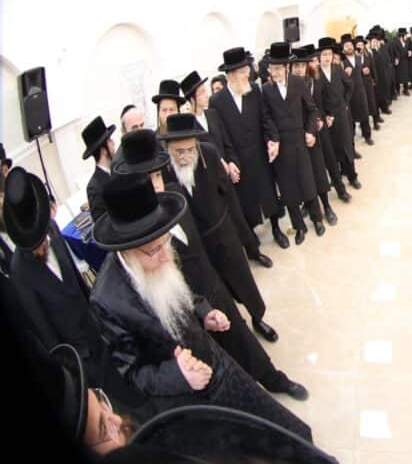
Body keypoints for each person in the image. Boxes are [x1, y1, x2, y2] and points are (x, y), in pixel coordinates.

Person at [90, 173, 312, 440]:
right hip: (187, 398)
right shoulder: (106, 300)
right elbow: (132, 373)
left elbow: (183, 295)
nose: (166, 256)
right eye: (154, 250)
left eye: (166, 241)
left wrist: (205, 313)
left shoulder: (158, 252)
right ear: (127, 251)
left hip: (218, 363)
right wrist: (178, 375)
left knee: (280, 428)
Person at [113, 129, 307, 400]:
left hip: (211, 288)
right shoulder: (133, 237)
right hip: (182, 319)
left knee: (242, 339)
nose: (156, 185)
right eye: (147, 179)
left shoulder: (174, 197)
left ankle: (273, 378)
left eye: (157, 175)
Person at [5, 167, 149, 414]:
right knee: (121, 415)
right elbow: (47, 335)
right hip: (83, 361)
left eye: (40, 238)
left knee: (139, 395)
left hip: (102, 335)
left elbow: (79, 284)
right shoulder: (20, 272)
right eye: (32, 244)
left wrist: (102, 319)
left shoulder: (53, 230)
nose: (40, 246)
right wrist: (76, 370)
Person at [159, 113, 279, 343]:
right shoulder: (164, 172)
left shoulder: (210, 154)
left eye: (190, 150)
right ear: (168, 148)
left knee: (243, 282)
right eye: (179, 152)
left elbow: (229, 197)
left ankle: (258, 317)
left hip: (223, 234)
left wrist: (244, 236)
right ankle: (236, 329)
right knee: (218, 294)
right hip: (198, 248)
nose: (185, 157)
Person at [182, 70, 272, 269]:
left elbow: (226, 142)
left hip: (228, 177)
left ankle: (254, 251)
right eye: (201, 93)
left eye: (205, 91)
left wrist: (232, 163)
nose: (206, 95)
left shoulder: (212, 115)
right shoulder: (188, 126)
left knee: (239, 216)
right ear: (192, 99)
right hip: (210, 183)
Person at [208, 47, 291, 250]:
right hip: (238, 159)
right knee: (246, 200)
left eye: (247, 70)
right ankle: (251, 236)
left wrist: (273, 139)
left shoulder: (254, 90)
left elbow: (265, 118)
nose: (248, 74)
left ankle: (276, 229)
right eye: (243, 71)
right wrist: (229, 161)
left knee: (269, 194)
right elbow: (220, 136)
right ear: (231, 75)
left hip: (260, 155)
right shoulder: (217, 101)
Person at [261, 42, 324, 243]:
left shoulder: (298, 82)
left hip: (300, 141)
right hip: (281, 146)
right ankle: (299, 227)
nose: (275, 73)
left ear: (286, 67)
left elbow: (312, 110)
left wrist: (311, 131)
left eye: (278, 69)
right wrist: (274, 139)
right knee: (288, 190)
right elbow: (266, 118)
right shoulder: (266, 90)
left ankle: (317, 219)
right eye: (272, 69)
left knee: (307, 182)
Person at [290, 46, 338, 228]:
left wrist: (315, 124)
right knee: (304, 177)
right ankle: (311, 207)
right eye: (296, 66)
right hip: (296, 138)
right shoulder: (288, 86)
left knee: (319, 172)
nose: (299, 69)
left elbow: (314, 108)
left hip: (312, 134)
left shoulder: (311, 82)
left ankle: (327, 206)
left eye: (302, 65)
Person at [317, 37, 361, 193]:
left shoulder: (337, 69)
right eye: (324, 55)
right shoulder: (316, 74)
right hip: (328, 119)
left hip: (342, 115)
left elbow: (350, 84)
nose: (327, 57)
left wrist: (346, 102)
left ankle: (352, 176)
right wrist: (324, 115)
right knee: (332, 150)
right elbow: (317, 99)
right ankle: (337, 177)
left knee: (346, 146)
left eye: (329, 54)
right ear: (319, 57)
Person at [83, 115, 117, 222]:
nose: (113, 143)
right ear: (103, 150)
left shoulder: (118, 170)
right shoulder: (94, 187)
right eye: (109, 141)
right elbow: (101, 223)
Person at [342, 34, 375, 140]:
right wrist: (344, 74)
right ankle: (351, 140)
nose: (349, 47)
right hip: (349, 94)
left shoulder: (358, 57)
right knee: (350, 119)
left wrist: (364, 71)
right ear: (343, 49)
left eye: (350, 45)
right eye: (346, 46)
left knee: (364, 114)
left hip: (361, 91)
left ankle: (367, 136)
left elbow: (361, 71)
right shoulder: (342, 62)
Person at [354, 36, 382, 129]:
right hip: (359, 84)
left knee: (372, 103)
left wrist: (375, 79)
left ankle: (375, 122)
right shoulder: (354, 58)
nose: (360, 47)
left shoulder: (368, 55)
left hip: (368, 83)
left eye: (361, 45)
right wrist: (361, 71)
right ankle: (364, 125)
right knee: (362, 105)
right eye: (358, 45)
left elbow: (373, 67)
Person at [395, 27, 412, 96]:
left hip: (406, 62)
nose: (406, 37)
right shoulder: (395, 43)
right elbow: (396, 53)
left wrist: (410, 52)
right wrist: (397, 58)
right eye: (405, 35)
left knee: (406, 76)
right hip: (399, 62)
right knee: (398, 77)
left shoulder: (407, 42)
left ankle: (406, 90)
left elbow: (410, 49)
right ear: (401, 36)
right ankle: (397, 90)